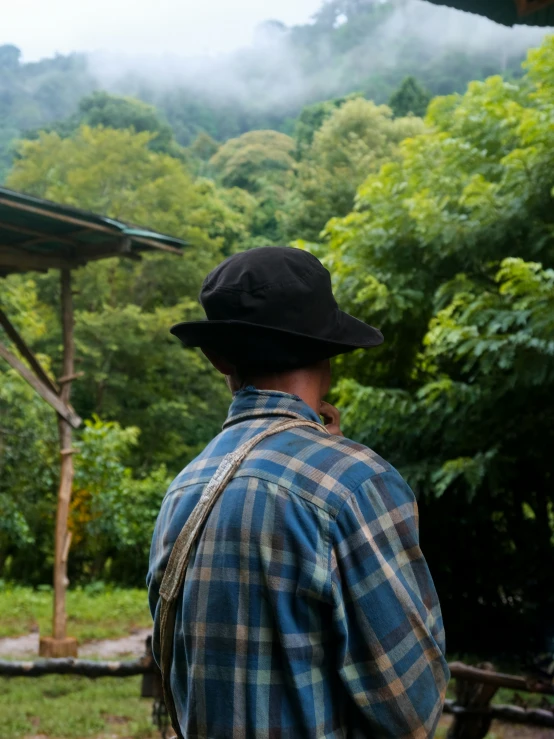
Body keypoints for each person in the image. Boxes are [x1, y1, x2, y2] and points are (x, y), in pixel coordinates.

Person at [148, 246, 449, 739]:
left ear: (218, 359)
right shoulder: (356, 484)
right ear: (328, 353)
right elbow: (412, 707)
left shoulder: (185, 489)